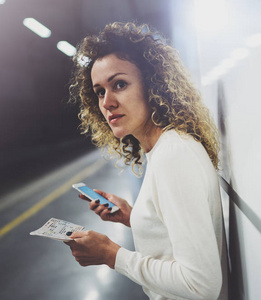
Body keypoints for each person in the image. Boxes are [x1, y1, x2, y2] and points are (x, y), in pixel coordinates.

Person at [66, 22, 228, 300]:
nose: (106, 103)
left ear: (153, 85)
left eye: (119, 84)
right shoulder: (163, 149)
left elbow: (202, 286)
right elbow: (175, 232)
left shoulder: (173, 155)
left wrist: (111, 254)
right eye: (100, 92)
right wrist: (134, 217)